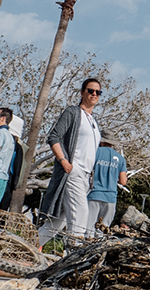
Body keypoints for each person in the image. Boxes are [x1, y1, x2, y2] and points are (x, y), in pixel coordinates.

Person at [38, 78, 104, 245]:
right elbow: (54, 137)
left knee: (58, 222)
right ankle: (73, 259)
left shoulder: (94, 122)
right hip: (73, 170)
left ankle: (24, 251)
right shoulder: (73, 112)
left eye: (98, 92)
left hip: (86, 176)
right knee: (81, 214)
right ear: (82, 92)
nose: (94, 94)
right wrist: (64, 162)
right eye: (90, 91)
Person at [85, 131, 127, 236]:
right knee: (103, 230)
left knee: (88, 228)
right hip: (111, 198)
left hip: (94, 194)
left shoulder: (94, 152)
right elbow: (123, 181)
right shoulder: (120, 158)